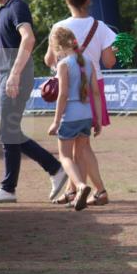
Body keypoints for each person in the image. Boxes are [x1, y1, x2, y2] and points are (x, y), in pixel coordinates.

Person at [0, 0, 66, 204]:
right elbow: (6, 53)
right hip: (7, 77)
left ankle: (13, 186)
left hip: (16, 77)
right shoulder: (2, 11)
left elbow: (28, 38)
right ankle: (51, 170)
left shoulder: (17, 6)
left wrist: (14, 75)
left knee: (7, 132)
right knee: (10, 132)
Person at [44, 0, 116, 206]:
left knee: (73, 148)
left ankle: (90, 190)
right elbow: (109, 61)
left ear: (67, 0)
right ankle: (74, 191)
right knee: (82, 146)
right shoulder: (100, 26)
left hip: (69, 91)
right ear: (88, 0)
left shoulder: (59, 27)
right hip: (93, 86)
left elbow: (49, 60)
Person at [46, 26, 100, 211]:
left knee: (65, 156)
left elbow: (62, 95)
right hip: (86, 114)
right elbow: (95, 92)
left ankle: (80, 185)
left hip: (70, 115)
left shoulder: (64, 64)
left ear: (58, 46)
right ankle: (78, 192)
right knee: (82, 153)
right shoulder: (88, 61)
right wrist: (98, 119)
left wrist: (55, 121)